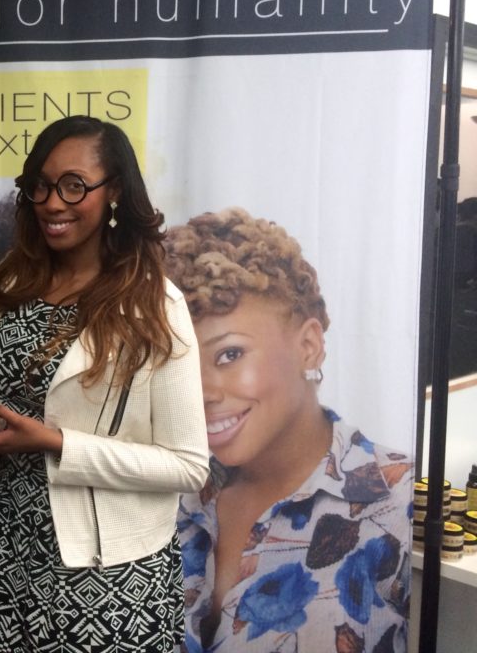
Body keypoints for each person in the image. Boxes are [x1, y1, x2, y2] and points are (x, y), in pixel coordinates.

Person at [0, 115, 210, 653]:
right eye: (42, 185)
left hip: (105, 575)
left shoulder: (153, 303)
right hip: (8, 552)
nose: (53, 203)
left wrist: (56, 443)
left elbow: (189, 465)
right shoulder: (15, 280)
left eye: (74, 185)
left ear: (114, 190)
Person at [164, 207, 413, 653]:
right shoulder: (171, 497)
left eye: (229, 355)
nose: (200, 392)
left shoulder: (400, 504)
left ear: (309, 346)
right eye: (177, 364)